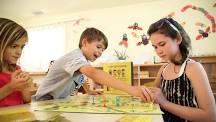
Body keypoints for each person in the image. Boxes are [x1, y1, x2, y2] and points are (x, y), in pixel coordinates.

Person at [33, 27, 153, 102]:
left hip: (57, 101)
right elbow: (94, 73)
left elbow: (81, 78)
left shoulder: (84, 62)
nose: (100, 52)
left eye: (103, 50)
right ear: (84, 42)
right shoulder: (75, 56)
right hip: (44, 101)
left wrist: (88, 90)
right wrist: (130, 89)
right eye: (98, 47)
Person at [146, 17, 216, 122]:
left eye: (162, 44)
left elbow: (209, 117)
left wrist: (164, 103)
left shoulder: (193, 68)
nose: (159, 51)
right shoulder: (163, 69)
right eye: (155, 47)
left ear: (178, 39)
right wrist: (147, 94)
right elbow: (155, 96)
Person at [0, 18, 33, 107]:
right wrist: (11, 87)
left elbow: (27, 101)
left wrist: (24, 87)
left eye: (22, 47)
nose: (19, 52)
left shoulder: (16, 69)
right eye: (14, 46)